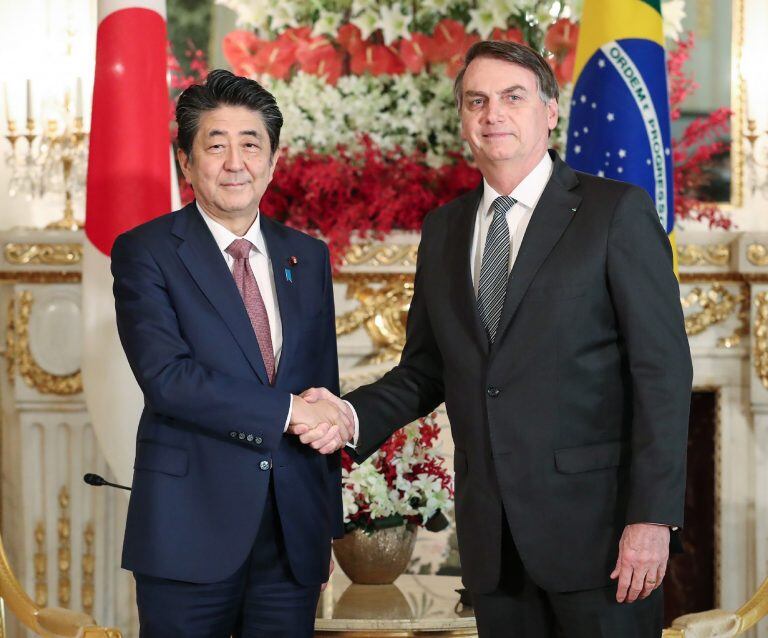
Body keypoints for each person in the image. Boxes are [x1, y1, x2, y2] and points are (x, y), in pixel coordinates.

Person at [295, 41, 692, 637]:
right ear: (463, 119)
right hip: (494, 549)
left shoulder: (616, 214)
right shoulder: (446, 228)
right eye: (476, 101)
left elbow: (662, 375)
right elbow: (427, 368)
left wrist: (652, 519)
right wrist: (349, 415)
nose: (493, 115)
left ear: (550, 110)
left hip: (603, 541)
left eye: (513, 97)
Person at [111, 69, 352, 638]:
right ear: (186, 162)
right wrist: (292, 412)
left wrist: (323, 523)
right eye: (215, 146)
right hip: (188, 532)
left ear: (274, 160)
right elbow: (168, 378)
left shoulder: (307, 256)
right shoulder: (146, 252)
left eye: (251, 144)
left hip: (290, 540)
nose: (234, 162)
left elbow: (321, 385)